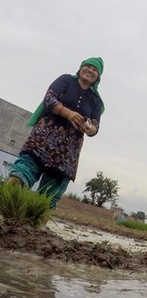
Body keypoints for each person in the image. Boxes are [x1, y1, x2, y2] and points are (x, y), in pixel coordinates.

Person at [7, 57, 105, 209]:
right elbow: (48, 99)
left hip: (66, 154)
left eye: (95, 69)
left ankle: (30, 226)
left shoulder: (96, 101)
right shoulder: (65, 80)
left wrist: (88, 128)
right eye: (88, 66)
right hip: (41, 141)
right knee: (19, 176)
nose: (90, 70)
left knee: (47, 197)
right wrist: (67, 113)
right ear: (80, 68)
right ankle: (5, 214)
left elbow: (95, 127)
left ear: (98, 77)